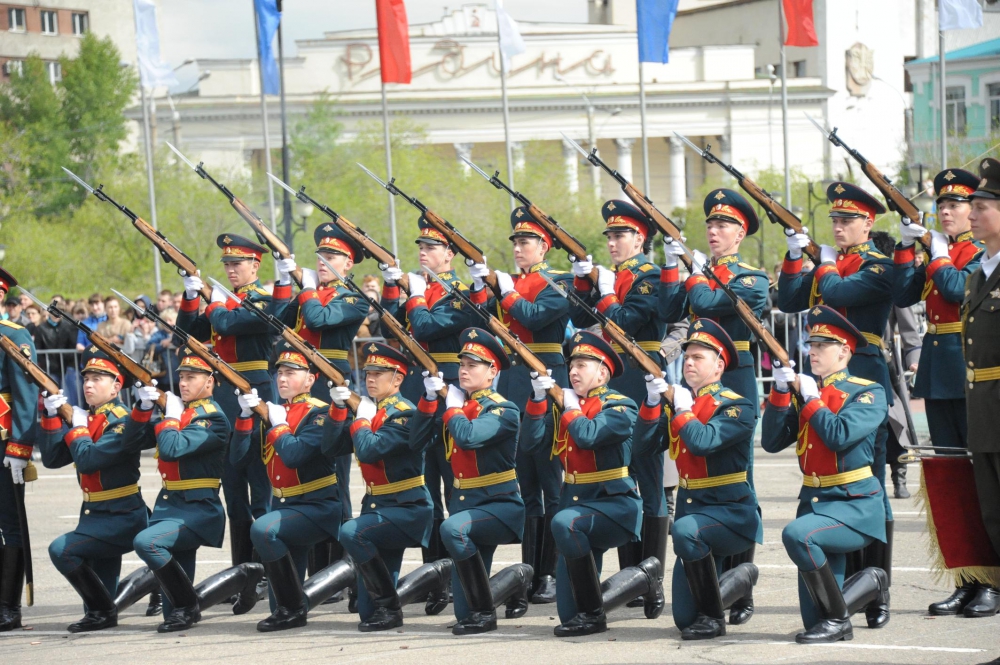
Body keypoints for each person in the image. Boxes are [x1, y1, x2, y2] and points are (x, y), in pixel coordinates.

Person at [778, 182, 896, 595]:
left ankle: (876, 588)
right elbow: (790, 299)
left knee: (869, 481)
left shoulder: (878, 265)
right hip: (824, 380)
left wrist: (822, 262)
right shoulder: (829, 263)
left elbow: (838, 291)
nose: (839, 227)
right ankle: (844, 585)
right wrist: (796, 257)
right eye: (835, 220)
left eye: (847, 220)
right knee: (828, 474)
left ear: (869, 223)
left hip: (863, 374)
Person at [521, 331, 663, 637]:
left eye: (582, 365)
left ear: (603, 372)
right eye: (572, 365)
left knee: (564, 522)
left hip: (614, 506)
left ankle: (594, 616)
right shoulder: (566, 406)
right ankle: (641, 579)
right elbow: (530, 444)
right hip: (577, 505)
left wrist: (568, 406)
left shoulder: (620, 406)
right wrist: (536, 401)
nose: (573, 371)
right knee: (568, 613)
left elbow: (587, 435)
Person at [761, 305, 889, 643]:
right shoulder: (806, 393)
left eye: (822, 346)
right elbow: (771, 442)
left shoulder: (868, 392)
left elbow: (838, 435)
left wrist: (811, 399)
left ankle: (840, 623)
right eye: (811, 345)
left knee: (798, 535)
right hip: (815, 503)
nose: (812, 351)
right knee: (814, 617)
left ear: (845, 352)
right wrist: (779, 390)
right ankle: (871, 582)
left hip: (854, 505)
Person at [466, 207, 572, 605]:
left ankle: (555, 570)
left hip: (545, 376)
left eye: (525, 241)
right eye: (514, 242)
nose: (518, 248)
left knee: (551, 480)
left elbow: (533, 314)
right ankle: (530, 571)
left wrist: (503, 288)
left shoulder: (558, 280)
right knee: (524, 483)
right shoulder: (508, 284)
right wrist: (482, 287)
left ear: (544, 246)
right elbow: (482, 320)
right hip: (511, 380)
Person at [634, 319, 761, 640]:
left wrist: (681, 408)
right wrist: (651, 404)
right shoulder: (682, 404)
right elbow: (643, 449)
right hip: (696, 517)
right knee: (683, 618)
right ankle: (738, 581)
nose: (688, 362)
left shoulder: (736, 405)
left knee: (684, 530)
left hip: (729, 515)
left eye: (698, 358)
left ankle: (714, 618)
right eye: (686, 357)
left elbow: (703, 441)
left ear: (719, 366)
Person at [570, 200, 668, 605]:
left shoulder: (649, 274)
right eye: (609, 235)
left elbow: (625, 321)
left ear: (640, 238)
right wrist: (582, 283)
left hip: (641, 376)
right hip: (612, 376)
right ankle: (631, 579)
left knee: (647, 475)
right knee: (619, 473)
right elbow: (579, 318)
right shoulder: (613, 276)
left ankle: (652, 577)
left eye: (620, 234)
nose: (612, 241)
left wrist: (605, 291)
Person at [380, 216, 477, 614]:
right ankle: (434, 576)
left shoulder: (461, 291)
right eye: (420, 247)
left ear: (450, 255)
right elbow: (387, 322)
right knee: (426, 485)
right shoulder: (419, 289)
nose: (423, 252)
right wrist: (391, 284)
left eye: (432, 247)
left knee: (455, 486)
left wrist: (416, 294)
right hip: (422, 392)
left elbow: (428, 325)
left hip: (452, 390)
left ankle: (459, 576)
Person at [129, 351, 264, 632]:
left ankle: (191, 604)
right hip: (171, 507)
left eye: (191, 377)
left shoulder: (213, 420)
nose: (183, 383)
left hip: (198, 510)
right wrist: (142, 408)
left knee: (147, 543)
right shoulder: (182, 414)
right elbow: (131, 440)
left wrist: (169, 415)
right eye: (181, 377)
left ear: (210, 382)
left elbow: (172, 447)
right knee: (175, 610)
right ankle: (240, 577)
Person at [412, 327, 529, 635]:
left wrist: (450, 406)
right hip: (467, 505)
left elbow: (469, 436)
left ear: (492, 372)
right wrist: (427, 399)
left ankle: (484, 613)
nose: (463, 370)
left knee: (452, 530)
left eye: (472, 365)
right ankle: (515, 579)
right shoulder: (459, 408)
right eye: (462, 365)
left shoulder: (503, 409)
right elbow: (416, 441)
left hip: (499, 506)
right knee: (462, 610)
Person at [273, 225, 370, 589]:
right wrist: (287, 281)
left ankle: (342, 569)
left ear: (348, 263)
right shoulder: (309, 292)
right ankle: (314, 570)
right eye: (320, 257)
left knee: (337, 478)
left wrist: (307, 287)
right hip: (298, 386)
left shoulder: (353, 296)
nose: (323, 262)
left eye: (331, 257)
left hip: (331, 388)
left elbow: (319, 320)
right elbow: (280, 322)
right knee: (304, 476)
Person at [232, 345, 350, 632]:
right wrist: (246, 417)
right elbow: (239, 459)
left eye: (291, 373)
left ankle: (298, 605)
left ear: (310, 379)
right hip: (285, 507)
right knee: (278, 607)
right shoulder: (273, 413)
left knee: (262, 529)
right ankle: (299, 603)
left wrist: (279, 425)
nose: (281, 379)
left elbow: (295, 455)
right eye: (279, 373)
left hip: (318, 507)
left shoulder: (320, 414)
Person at [177, 235, 276, 575]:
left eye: (237, 264)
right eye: (227, 265)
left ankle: (267, 568)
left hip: (254, 392)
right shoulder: (226, 301)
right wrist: (192, 296)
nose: (231, 269)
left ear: (255, 265)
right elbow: (186, 333)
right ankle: (242, 571)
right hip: (223, 398)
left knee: (260, 487)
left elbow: (226, 323)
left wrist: (214, 301)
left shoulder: (263, 300)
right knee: (232, 490)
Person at [37, 348, 147, 633]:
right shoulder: (89, 417)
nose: (88, 384)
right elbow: (52, 459)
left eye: (98, 378)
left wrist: (77, 428)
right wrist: (50, 417)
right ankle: (115, 603)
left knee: (62, 550)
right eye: (86, 378)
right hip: (95, 514)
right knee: (102, 591)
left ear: (116, 386)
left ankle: (104, 612)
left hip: (121, 515)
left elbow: (88, 460)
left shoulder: (123, 421)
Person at [338, 343, 434, 632]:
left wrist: (361, 419)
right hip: (378, 508)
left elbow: (369, 450)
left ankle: (392, 609)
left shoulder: (404, 414)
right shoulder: (371, 411)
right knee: (367, 613)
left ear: (398, 379)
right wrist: (336, 409)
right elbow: (330, 446)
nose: (370, 378)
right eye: (368, 373)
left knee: (351, 531)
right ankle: (431, 579)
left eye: (379, 374)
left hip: (407, 508)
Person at [958, 156, 1000, 618]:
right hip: (984, 411)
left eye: (983, 205)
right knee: (994, 519)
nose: (971, 214)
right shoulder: (978, 273)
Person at [0, 268, 39, 632]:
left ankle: (7, 606)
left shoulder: (12, 335)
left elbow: (26, 396)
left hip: (2, 442)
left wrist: (20, 445)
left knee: (9, 524)